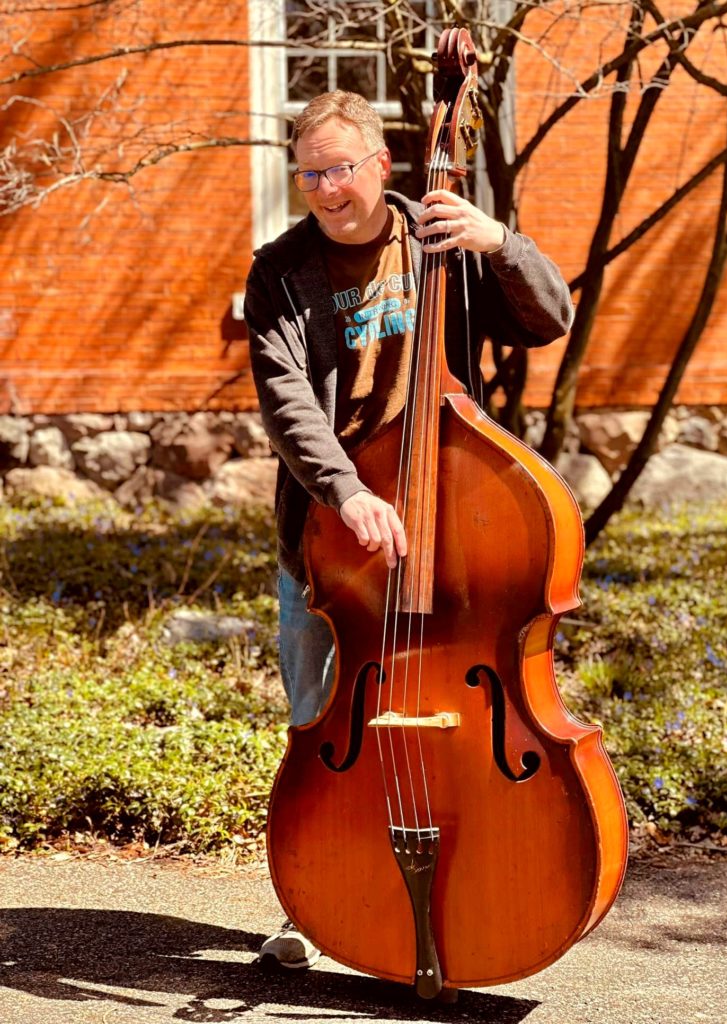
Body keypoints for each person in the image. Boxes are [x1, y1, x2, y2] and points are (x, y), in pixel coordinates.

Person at [243, 89, 574, 971]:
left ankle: (480, 883)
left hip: (453, 526)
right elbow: (285, 401)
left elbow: (550, 319)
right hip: (331, 537)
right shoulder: (280, 270)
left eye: (339, 169)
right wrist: (345, 491)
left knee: (466, 712)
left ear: (381, 166)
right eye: (309, 173)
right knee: (323, 720)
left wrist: (502, 244)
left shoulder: (439, 242)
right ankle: (312, 908)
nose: (323, 187)